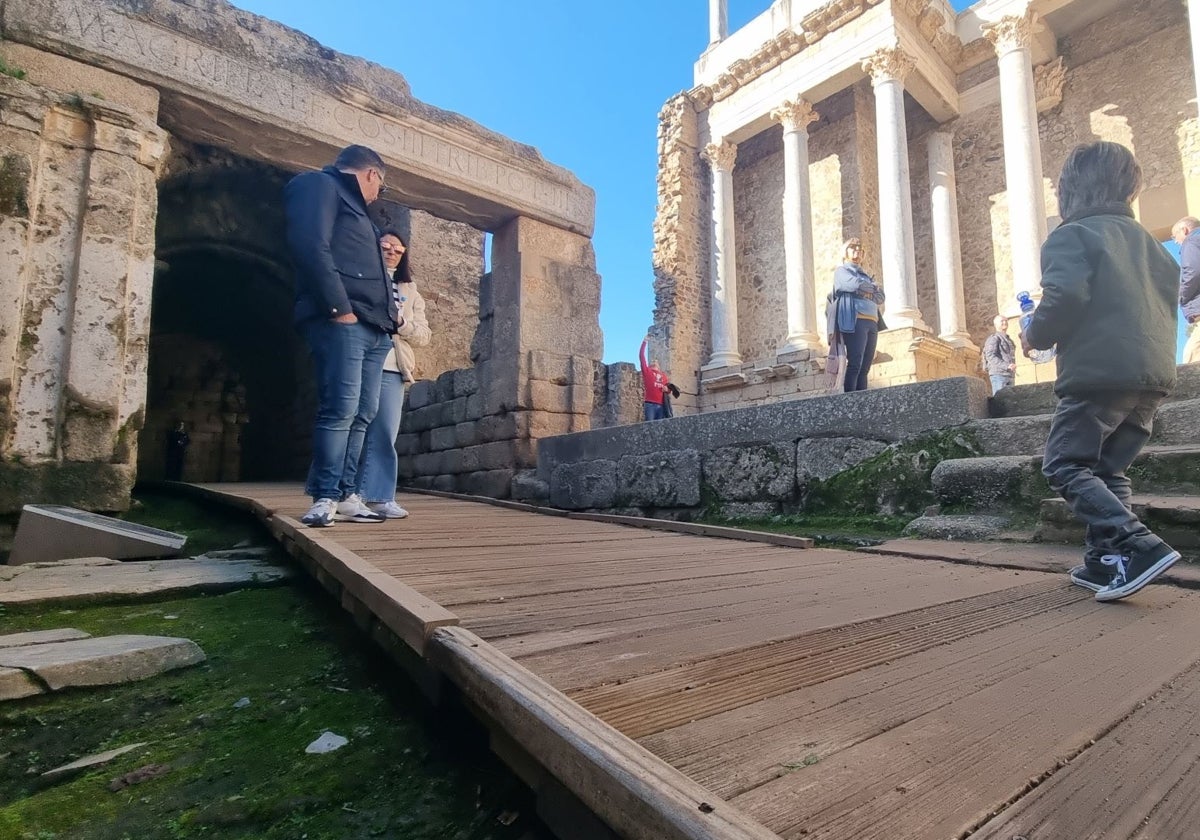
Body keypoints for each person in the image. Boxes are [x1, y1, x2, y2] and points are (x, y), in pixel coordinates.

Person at [1023, 141, 1180, 602]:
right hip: (1151, 376)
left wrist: (1035, 334)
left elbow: (1065, 297)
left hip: (1098, 373)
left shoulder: (1073, 236)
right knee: (1110, 469)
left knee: (1065, 464)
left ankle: (1137, 544)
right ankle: (1103, 561)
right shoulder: (1154, 246)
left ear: (1070, 191)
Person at [284, 144, 397, 527]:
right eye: (380, 184)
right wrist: (339, 308)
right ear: (370, 174)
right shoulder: (319, 185)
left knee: (363, 413)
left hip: (375, 328)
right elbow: (309, 245)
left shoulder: (363, 215)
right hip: (345, 319)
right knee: (340, 409)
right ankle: (325, 495)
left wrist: (389, 321)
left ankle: (347, 493)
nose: (379, 193)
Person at [358, 230, 431, 519]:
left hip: (393, 365)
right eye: (385, 246)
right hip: (362, 359)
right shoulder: (360, 277)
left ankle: (378, 496)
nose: (390, 252)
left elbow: (424, 335)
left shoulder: (411, 291)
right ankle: (343, 494)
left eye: (397, 249)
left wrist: (400, 322)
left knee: (385, 432)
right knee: (353, 427)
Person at [827, 237, 886, 393]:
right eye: (853, 247)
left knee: (866, 365)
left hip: (872, 321)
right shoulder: (842, 271)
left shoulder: (866, 275)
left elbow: (880, 297)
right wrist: (867, 288)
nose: (858, 250)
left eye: (860, 248)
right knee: (855, 362)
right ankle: (851, 398)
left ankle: (862, 397)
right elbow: (851, 284)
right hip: (856, 319)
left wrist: (863, 289)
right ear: (845, 252)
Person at [1172, 215, 1200, 364]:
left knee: (1191, 360)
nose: (1176, 241)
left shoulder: (1191, 241)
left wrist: (1180, 296)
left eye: (1175, 236)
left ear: (1185, 230)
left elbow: (1193, 271)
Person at [981, 314, 1017, 394]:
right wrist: (1006, 366)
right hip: (999, 375)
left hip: (1009, 375)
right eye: (1002, 321)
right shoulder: (993, 338)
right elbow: (990, 355)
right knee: (1000, 400)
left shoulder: (1008, 339)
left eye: (1006, 321)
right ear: (996, 324)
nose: (1005, 322)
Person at [639, 336, 670, 420]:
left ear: (659, 365)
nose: (654, 361)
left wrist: (667, 389)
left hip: (661, 405)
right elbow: (641, 356)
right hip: (650, 404)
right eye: (652, 361)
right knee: (649, 425)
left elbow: (670, 390)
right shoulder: (647, 372)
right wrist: (644, 342)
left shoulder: (664, 376)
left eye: (656, 361)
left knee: (659, 427)